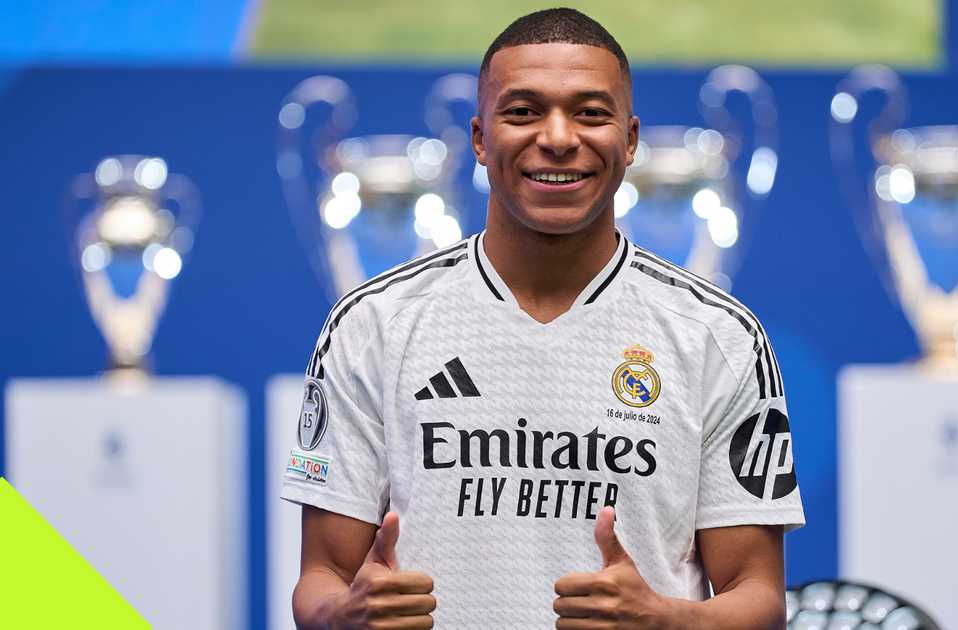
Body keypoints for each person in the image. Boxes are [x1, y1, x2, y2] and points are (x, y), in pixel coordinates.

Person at [282, 8, 804, 629]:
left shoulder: (718, 336)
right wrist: (343, 615)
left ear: (631, 139)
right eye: (523, 112)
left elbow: (760, 596)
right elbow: (320, 579)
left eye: (590, 112)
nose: (557, 137)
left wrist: (666, 621)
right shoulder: (372, 324)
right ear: (478, 139)